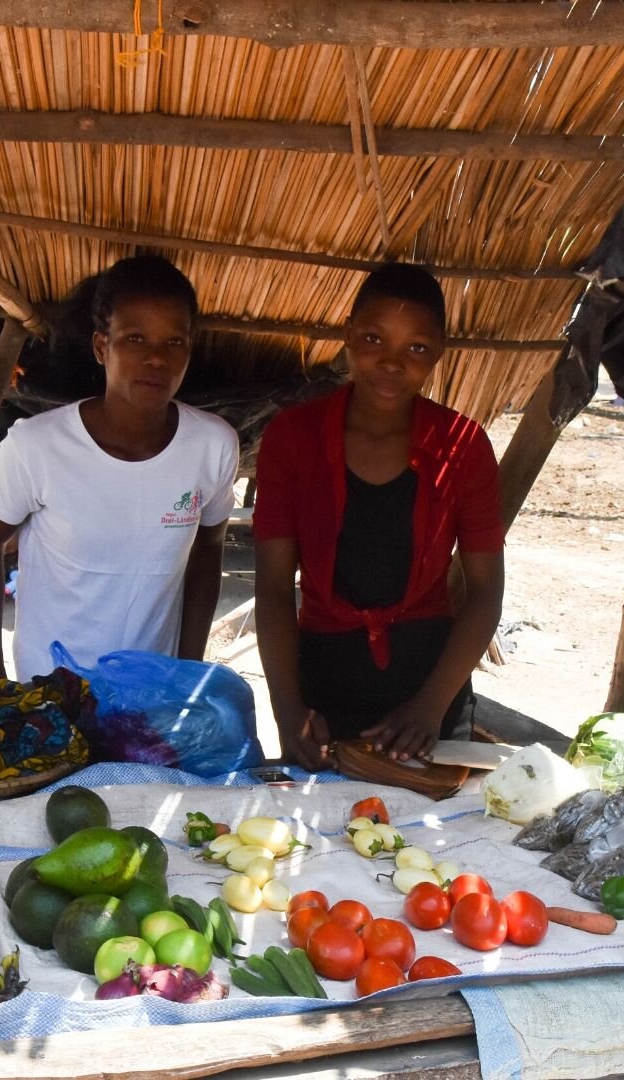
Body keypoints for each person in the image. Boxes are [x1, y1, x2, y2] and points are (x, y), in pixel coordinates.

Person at [253, 263, 505, 770]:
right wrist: (288, 711)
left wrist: (431, 707)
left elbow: (485, 592)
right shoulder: (293, 438)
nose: (391, 363)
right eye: (373, 338)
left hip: (432, 682)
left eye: (416, 347)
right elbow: (275, 588)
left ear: (438, 353)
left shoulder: (463, 445)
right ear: (348, 335)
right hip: (323, 685)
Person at [0, 254, 239, 683]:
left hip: (150, 695)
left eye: (174, 342)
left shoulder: (213, 446)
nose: (156, 359)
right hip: (48, 692)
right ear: (100, 346)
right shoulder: (37, 445)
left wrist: (185, 670)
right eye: (134, 339)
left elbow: (209, 548)